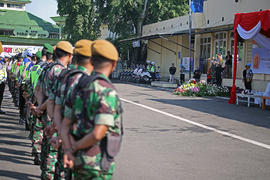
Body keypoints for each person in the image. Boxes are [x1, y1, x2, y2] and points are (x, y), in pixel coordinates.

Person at [61, 40, 123, 179]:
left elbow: (65, 125)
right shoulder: (107, 92)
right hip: (97, 165)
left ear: (92, 62)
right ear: (114, 64)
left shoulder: (78, 86)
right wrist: (74, 147)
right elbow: (97, 134)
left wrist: (68, 150)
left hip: (78, 162)